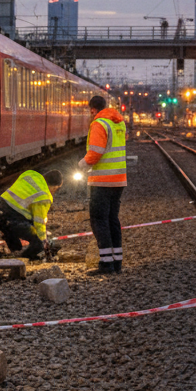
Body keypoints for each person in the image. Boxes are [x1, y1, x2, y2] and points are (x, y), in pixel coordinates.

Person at [79, 94, 127, 274]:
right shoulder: (119, 123)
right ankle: (116, 264)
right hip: (119, 179)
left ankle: (106, 265)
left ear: (93, 109)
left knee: (99, 221)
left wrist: (83, 164)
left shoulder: (99, 124)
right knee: (112, 220)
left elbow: (96, 152)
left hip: (102, 181)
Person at [0, 169, 64, 260]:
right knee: (38, 242)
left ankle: (14, 250)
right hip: (9, 218)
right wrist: (44, 242)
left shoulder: (30, 174)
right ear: (54, 187)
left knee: (17, 230)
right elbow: (39, 222)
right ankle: (24, 260)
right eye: (55, 189)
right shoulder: (44, 196)